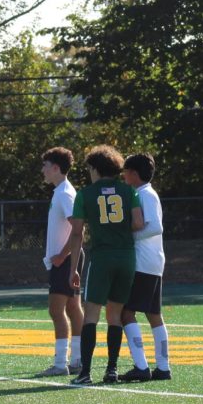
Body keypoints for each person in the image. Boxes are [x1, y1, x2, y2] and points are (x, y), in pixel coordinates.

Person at [53, 145, 144, 385]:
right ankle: (111, 370)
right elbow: (138, 222)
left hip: (102, 257)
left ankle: (85, 373)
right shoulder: (128, 191)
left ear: (94, 168)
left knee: (91, 313)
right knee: (114, 315)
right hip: (126, 257)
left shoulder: (85, 194)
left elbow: (76, 234)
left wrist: (73, 269)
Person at [118, 152, 171, 382]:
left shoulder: (145, 194)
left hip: (143, 261)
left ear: (134, 174)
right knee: (153, 314)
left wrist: (128, 233)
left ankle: (141, 365)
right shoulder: (144, 193)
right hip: (152, 261)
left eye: (126, 172)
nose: (123, 176)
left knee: (125, 312)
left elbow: (155, 227)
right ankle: (163, 366)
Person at [37, 147, 84, 377]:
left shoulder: (64, 193)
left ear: (56, 168)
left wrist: (62, 255)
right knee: (73, 308)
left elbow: (78, 228)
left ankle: (60, 363)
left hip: (65, 260)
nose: (43, 170)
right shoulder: (62, 191)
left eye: (45, 166)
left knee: (56, 310)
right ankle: (77, 359)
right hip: (68, 258)